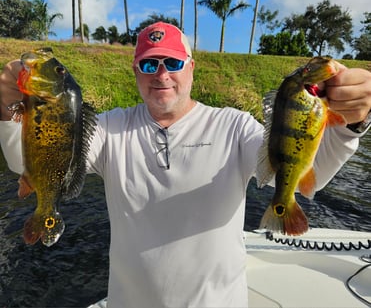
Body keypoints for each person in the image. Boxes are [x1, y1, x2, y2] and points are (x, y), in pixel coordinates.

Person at [0, 22, 370, 308]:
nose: (161, 74)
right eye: (149, 63)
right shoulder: (109, 128)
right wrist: (7, 109)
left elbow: (308, 172)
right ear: (135, 70)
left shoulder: (234, 126)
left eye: (173, 63)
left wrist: (351, 124)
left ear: (191, 68)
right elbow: (27, 162)